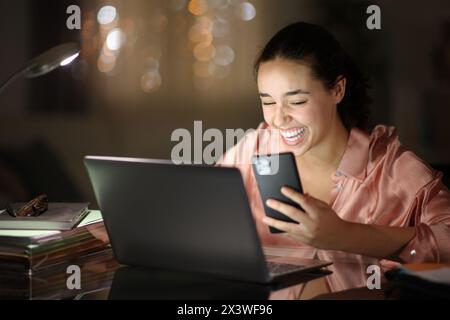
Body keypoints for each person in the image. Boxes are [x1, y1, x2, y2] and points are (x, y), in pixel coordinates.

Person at [217, 22, 450, 263]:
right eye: (268, 102)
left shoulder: (391, 169)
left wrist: (344, 235)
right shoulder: (254, 150)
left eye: (296, 102)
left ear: (338, 90)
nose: (278, 118)